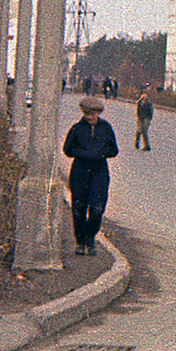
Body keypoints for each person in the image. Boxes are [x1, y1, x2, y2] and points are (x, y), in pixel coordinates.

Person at [63, 95, 118, 255]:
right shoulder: (77, 129)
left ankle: (90, 237)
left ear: (98, 113)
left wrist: (100, 154)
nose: (90, 117)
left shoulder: (106, 128)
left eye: (93, 114)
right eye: (87, 114)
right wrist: (84, 153)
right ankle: (80, 241)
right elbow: (68, 149)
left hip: (99, 172)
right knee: (79, 208)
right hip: (80, 171)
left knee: (96, 208)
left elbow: (113, 150)